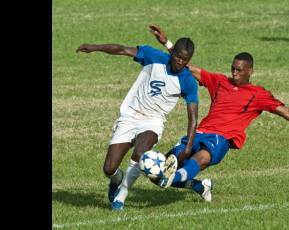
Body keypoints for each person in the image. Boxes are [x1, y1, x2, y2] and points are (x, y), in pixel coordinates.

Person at [149, 25, 289, 201]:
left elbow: (287, 112)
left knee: (200, 160)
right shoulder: (219, 81)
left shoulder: (258, 94)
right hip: (198, 133)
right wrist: (167, 43)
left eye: (239, 70)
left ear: (250, 71)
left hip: (220, 138)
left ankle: (180, 177)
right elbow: (186, 66)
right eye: (233, 68)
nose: (234, 73)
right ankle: (199, 185)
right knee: (158, 173)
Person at [75, 34, 199, 210]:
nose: (179, 62)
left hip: (153, 121)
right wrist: (95, 47)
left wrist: (189, 145)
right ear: (172, 53)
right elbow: (123, 49)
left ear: (189, 60)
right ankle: (117, 180)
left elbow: (193, 116)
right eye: (177, 56)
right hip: (130, 116)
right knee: (109, 169)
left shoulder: (188, 81)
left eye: (184, 59)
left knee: (140, 152)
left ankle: (121, 196)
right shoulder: (154, 57)